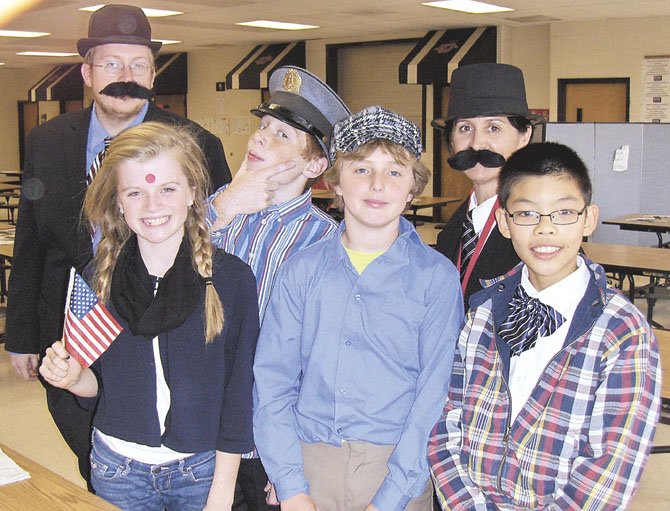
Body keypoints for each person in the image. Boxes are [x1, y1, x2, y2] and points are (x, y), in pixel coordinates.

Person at [5, 3, 232, 484]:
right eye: (111, 64)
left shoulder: (195, 142)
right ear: (87, 72)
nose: (124, 76)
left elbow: (219, 243)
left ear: (153, 72)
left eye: (138, 65)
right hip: (70, 332)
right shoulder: (47, 141)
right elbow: (31, 243)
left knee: (154, 455)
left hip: (164, 333)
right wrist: (20, 336)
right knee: (90, 450)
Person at [39, 122, 259, 511]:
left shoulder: (231, 280)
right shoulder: (100, 278)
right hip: (117, 470)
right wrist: (73, 377)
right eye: (135, 193)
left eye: (167, 189)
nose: (153, 206)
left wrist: (223, 492)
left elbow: (238, 394)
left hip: (202, 472)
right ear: (118, 203)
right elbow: (99, 385)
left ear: (193, 192)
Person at [429, 142, 661, 510]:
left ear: (589, 219)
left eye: (564, 212)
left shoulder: (622, 331)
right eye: (527, 214)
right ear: (505, 222)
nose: (545, 230)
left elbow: (611, 469)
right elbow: (445, 423)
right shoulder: (483, 313)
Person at [254, 106, 464, 511]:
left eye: (395, 172)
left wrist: (392, 497)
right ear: (336, 182)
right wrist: (288, 479)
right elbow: (273, 380)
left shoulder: (436, 278)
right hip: (309, 464)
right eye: (361, 169)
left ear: (411, 190)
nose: (378, 184)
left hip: (396, 468)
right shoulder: (301, 271)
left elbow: (434, 395)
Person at [206, 65, 350, 510]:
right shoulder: (215, 212)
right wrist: (226, 205)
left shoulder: (327, 243)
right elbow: (153, 270)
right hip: (197, 427)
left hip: (265, 443)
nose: (261, 138)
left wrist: (294, 462)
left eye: (283, 135)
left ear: (315, 164)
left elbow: (325, 364)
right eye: (263, 126)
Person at [433, 62, 538, 305]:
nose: (477, 143)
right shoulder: (450, 232)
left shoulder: (540, 227)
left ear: (524, 136)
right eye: (465, 128)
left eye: (493, 128)